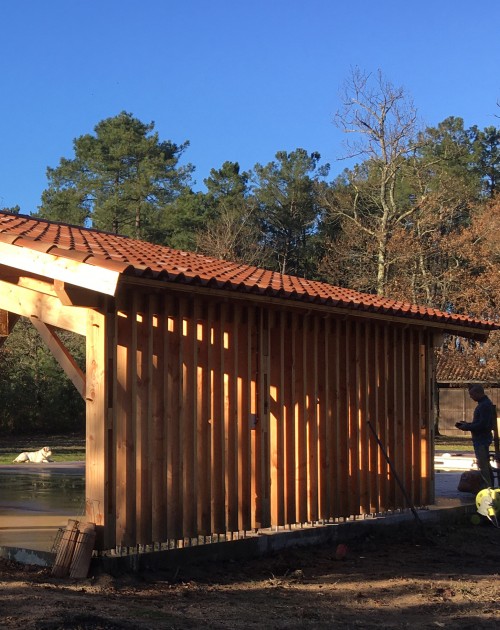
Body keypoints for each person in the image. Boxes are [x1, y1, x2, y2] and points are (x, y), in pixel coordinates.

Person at [455, 384, 495, 488]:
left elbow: (483, 424)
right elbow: (481, 423)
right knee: (483, 464)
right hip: (481, 438)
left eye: (472, 394)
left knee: (483, 465)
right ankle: (488, 486)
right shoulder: (484, 404)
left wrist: (467, 427)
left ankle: (488, 487)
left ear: (478, 393)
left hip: (481, 439)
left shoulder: (484, 406)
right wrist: (468, 424)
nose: (471, 397)